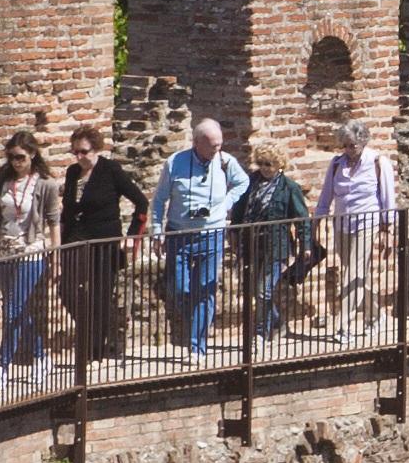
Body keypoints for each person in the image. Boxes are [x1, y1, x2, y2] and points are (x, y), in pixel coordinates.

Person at [150, 119, 249, 361]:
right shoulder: (175, 163)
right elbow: (159, 199)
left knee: (205, 292)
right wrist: (156, 230)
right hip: (179, 235)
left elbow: (243, 182)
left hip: (211, 234)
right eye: (212, 146)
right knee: (179, 288)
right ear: (196, 143)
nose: (217, 150)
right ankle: (192, 322)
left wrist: (225, 204)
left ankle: (197, 346)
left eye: (219, 145)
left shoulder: (226, 162)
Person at [0, 130, 59, 390]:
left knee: (13, 310)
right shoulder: (4, 178)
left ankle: (1, 366)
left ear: (33, 154)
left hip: (30, 251)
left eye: (20, 157)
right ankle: (42, 357)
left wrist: (56, 257)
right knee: (15, 309)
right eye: (11, 157)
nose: (15, 162)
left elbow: (54, 222)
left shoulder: (46, 184)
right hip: (3, 251)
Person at [60, 122, 146, 364]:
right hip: (75, 240)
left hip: (104, 241)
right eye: (75, 152)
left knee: (99, 295)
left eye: (84, 152)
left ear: (95, 149)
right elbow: (68, 210)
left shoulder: (111, 170)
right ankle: (88, 335)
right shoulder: (72, 173)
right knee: (66, 290)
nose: (79, 156)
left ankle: (95, 351)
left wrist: (131, 237)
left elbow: (141, 203)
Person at [312, 121, 395, 342]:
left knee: (352, 273)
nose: (349, 150)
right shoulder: (337, 163)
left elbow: (388, 198)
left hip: (366, 223)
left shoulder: (377, 162)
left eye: (353, 145)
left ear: (363, 142)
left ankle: (343, 325)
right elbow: (326, 195)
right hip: (341, 224)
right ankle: (377, 315)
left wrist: (387, 229)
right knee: (356, 273)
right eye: (346, 145)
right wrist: (316, 222)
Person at [231, 145, 308, 340]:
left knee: (263, 291)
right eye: (262, 164)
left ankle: (261, 333)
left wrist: (305, 244)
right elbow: (239, 210)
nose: (265, 168)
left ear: (279, 165)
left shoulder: (289, 187)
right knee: (254, 290)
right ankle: (278, 322)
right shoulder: (251, 183)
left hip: (277, 245)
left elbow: (302, 218)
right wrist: (234, 233)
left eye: (269, 164)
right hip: (252, 244)